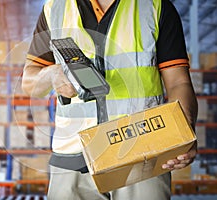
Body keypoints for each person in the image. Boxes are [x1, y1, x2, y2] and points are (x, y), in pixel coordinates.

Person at [22, 0, 198, 199]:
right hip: (72, 161)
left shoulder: (155, 7)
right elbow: (29, 82)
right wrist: (51, 74)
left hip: (142, 154)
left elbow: (178, 83)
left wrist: (184, 133)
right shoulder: (55, 8)